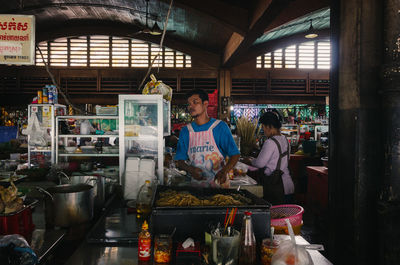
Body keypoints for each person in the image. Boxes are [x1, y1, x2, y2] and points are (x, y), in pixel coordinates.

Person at [175, 89, 240, 187]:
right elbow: (180, 160)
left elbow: (235, 154)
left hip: (219, 185)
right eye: (189, 104)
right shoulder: (185, 131)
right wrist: (190, 170)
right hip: (196, 187)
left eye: (195, 102)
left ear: (205, 104)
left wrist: (224, 171)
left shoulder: (220, 127)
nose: (190, 106)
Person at [243, 112, 294, 204]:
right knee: (285, 216)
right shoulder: (285, 139)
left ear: (269, 126)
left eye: (263, 128)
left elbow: (260, 163)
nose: (264, 131)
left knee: (275, 215)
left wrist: (250, 160)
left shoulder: (270, 142)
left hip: (276, 186)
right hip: (288, 184)